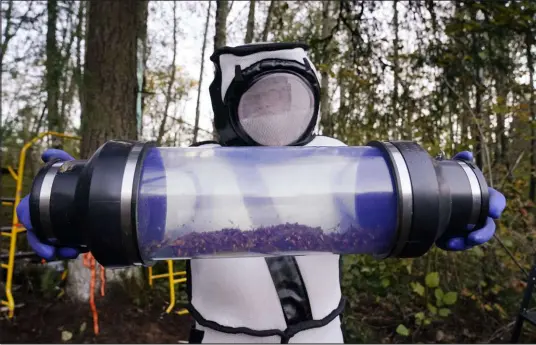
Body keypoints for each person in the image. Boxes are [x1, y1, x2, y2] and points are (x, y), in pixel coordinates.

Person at [17, 42, 506, 343]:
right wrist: (78, 206)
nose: (274, 110)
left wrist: (446, 202)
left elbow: (401, 210)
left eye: (285, 95)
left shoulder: (346, 161)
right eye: (260, 98)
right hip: (224, 339)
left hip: (320, 336)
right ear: (230, 102)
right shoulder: (188, 169)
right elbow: (130, 216)